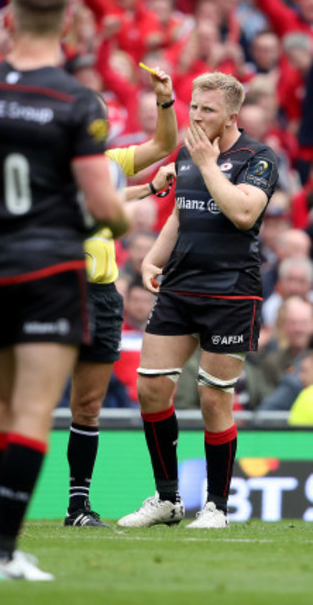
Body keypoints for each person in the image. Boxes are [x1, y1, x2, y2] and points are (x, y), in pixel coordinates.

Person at [0, 0, 129, 580]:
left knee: (1, 402)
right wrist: (121, 221)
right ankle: (0, 552)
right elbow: (103, 204)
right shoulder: (74, 100)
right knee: (32, 408)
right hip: (50, 267)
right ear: (65, 24)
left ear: (8, 20)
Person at [117, 72, 278, 530]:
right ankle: (168, 500)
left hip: (230, 290)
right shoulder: (188, 151)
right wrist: (152, 259)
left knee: (213, 400)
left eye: (206, 110)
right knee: (150, 389)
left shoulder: (259, 158)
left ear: (232, 115)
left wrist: (209, 165)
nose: (196, 116)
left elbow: (244, 213)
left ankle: (216, 507)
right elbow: (182, 213)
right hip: (179, 287)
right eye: (193, 107)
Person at [63, 71, 178, 528]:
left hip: (101, 294)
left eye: (102, 117)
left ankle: (78, 506)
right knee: (7, 397)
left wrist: (165, 101)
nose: (98, 124)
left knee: (87, 403)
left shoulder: (109, 162)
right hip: (51, 288)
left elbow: (161, 144)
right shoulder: (48, 162)